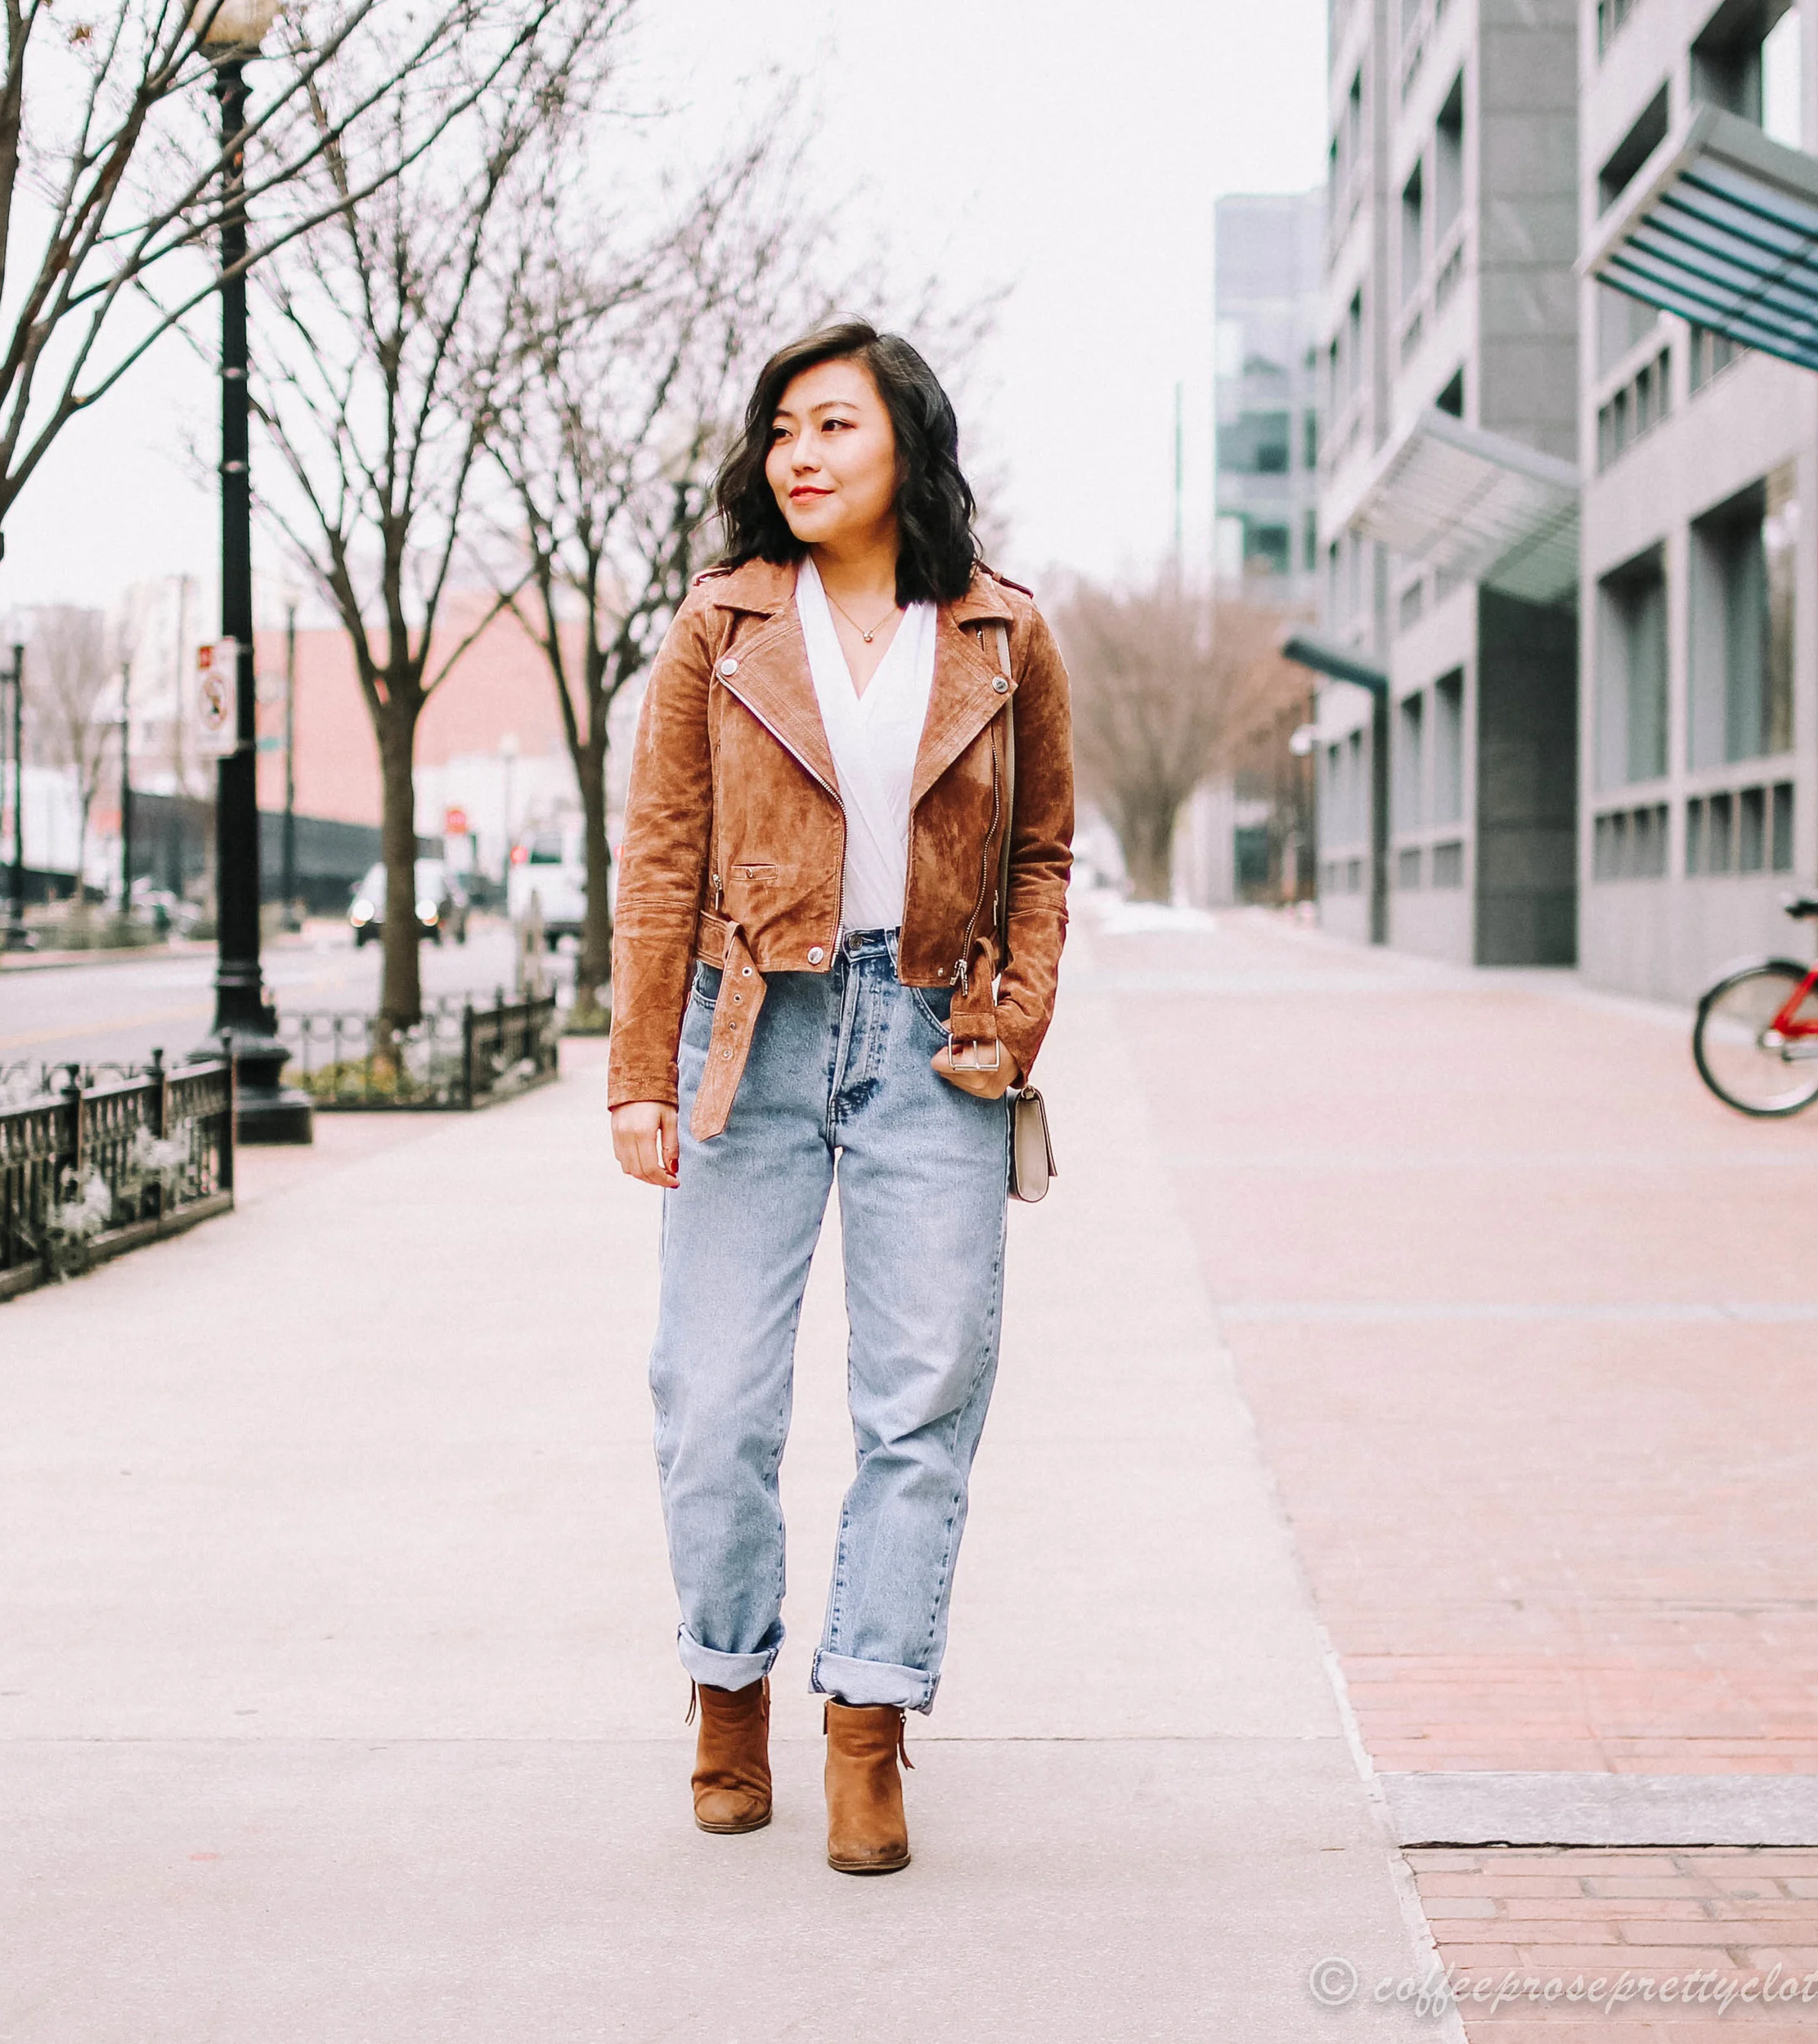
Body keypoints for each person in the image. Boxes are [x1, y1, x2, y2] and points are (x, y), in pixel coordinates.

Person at [607, 318, 1073, 1874]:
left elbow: (1043, 854)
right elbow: (662, 854)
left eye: (832, 429)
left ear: (905, 447)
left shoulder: (1003, 635)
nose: (798, 457)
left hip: (936, 1037)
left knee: (922, 1391)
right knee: (714, 1398)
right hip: (749, 1033)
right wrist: (636, 1076)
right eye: (781, 432)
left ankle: (869, 1720)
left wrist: (1016, 1016)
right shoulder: (722, 626)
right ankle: (726, 1682)